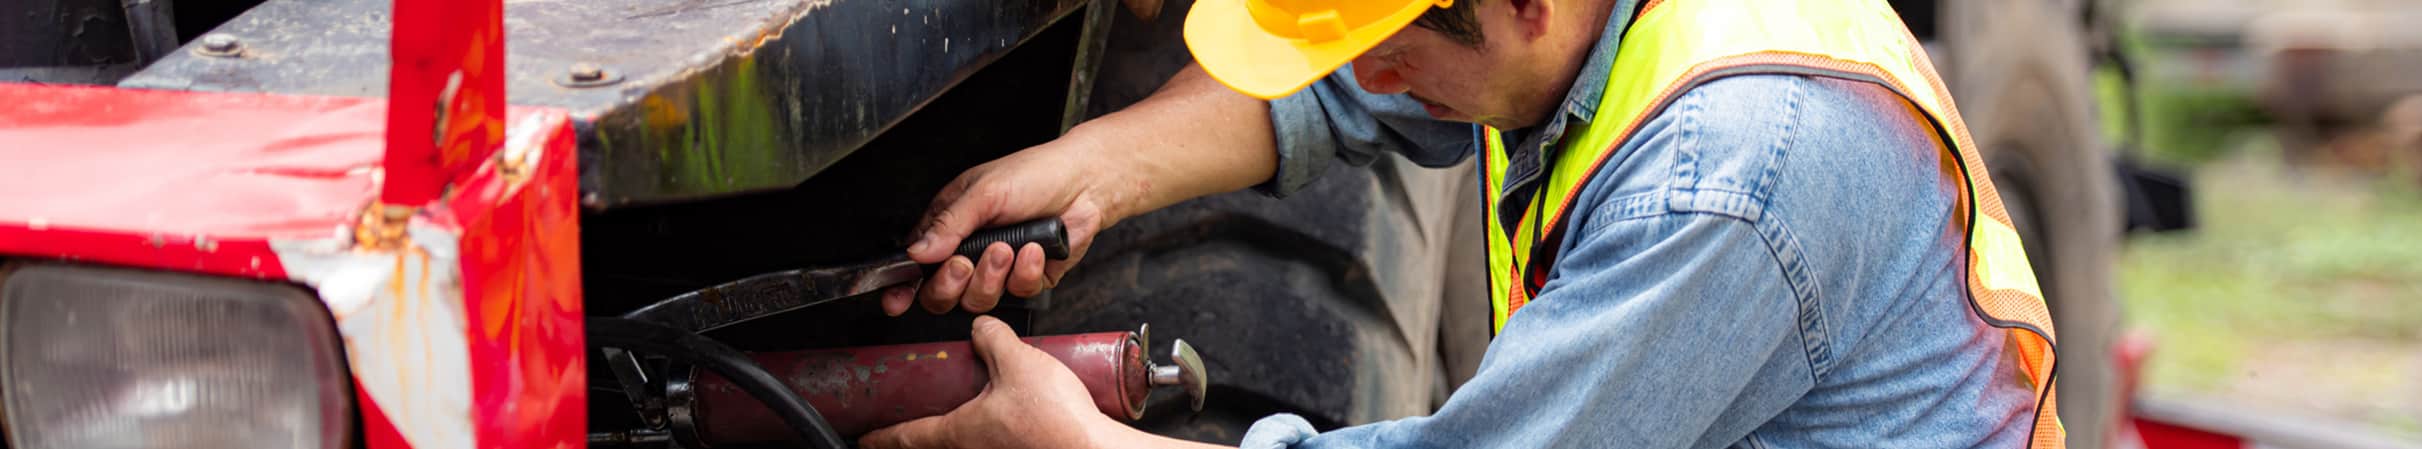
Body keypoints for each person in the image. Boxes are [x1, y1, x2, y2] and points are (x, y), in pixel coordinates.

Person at [865, 0, 2066, 447]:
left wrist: (1078, 446)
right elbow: (1332, 89)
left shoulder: (1727, 184)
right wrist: (1086, 170)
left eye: (1392, 49)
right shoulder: (1591, 34)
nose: (1373, 80)